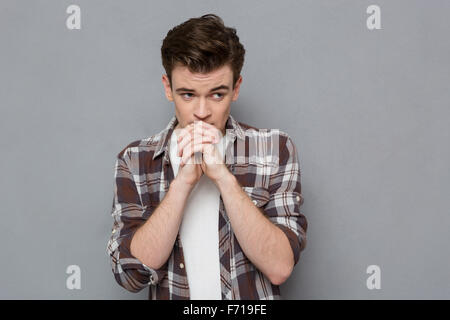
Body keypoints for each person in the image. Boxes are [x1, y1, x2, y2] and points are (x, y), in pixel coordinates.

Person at [107, 13, 307, 300]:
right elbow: (131, 275)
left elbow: (279, 267)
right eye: (188, 94)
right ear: (168, 88)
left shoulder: (275, 149)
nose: (201, 112)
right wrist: (184, 182)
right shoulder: (136, 160)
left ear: (236, 88)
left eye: (216, 95)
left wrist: (223, 177)